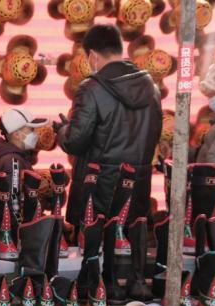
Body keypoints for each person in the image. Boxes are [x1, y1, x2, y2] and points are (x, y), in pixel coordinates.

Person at [56, 24, 162, 227]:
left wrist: (62, 130)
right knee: (130, 241)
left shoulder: (91, 89)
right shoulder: (151, 88)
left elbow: (74, 141)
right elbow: (155, 135)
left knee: (95, 243)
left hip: (98, 192)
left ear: (93, 56)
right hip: (137, 188)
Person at [0, 107, 48, 219]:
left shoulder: (17, 157)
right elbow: (13, 207)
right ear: (17, 135)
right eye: (31, 130)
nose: (35, 134)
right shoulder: (12, 162)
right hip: (17, 227)